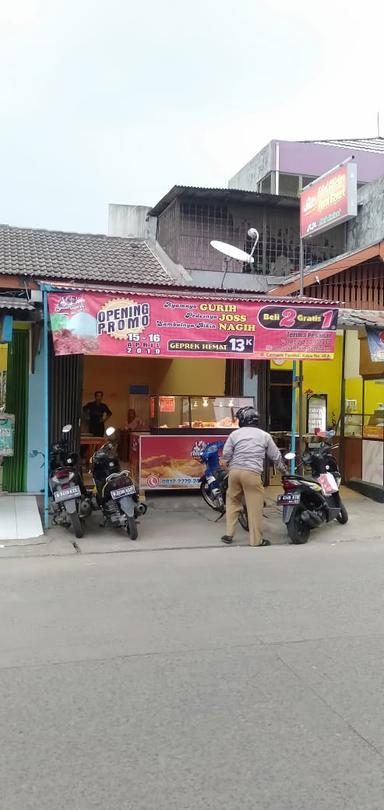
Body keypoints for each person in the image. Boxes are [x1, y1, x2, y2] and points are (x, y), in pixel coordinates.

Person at [221, 406, 287, 547]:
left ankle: (228, 534)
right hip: (252, 473)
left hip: (235, 472)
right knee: (254, 507)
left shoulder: (234, 434)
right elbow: (276, 457)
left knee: (232, 502)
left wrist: (228, 464)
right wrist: (284, 472)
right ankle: (256, 540)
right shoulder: (264, 436)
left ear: (243, 420)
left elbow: (226, 455)